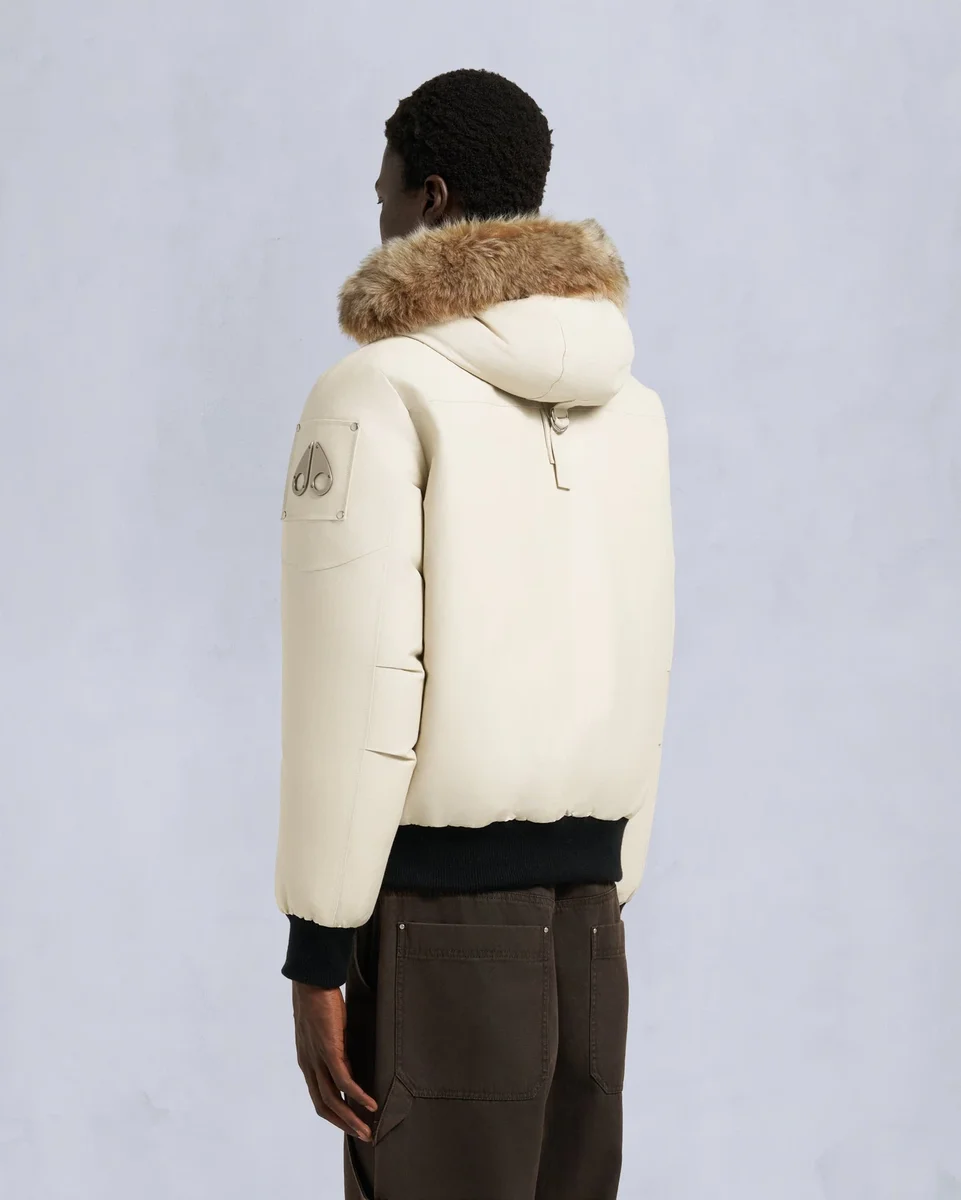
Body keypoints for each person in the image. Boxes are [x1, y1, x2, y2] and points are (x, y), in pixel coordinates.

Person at [275, 67, 675, 1200]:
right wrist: (609, 875)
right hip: (590, 925)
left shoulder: (374, 391)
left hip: (435, 925)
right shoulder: (631, 407)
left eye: (386, 196)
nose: (380, 220)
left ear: (433, 199)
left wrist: (318, 947)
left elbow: (356, 678)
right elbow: (643, 641)